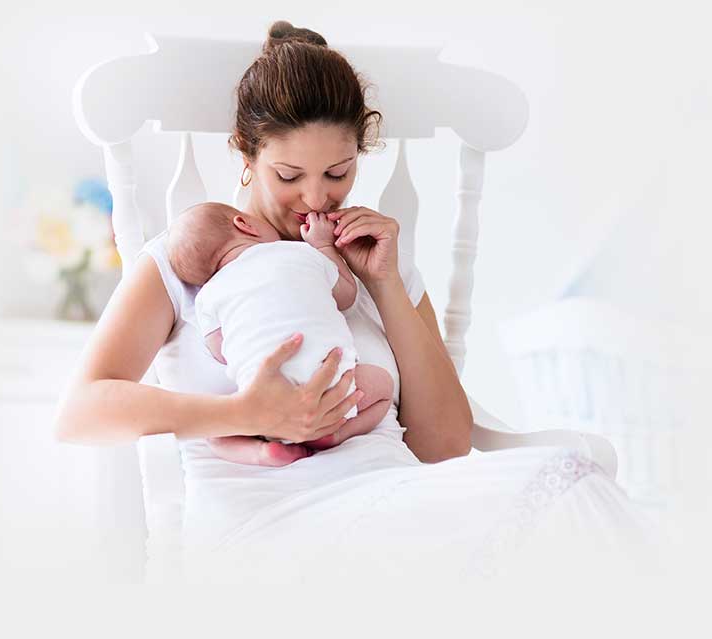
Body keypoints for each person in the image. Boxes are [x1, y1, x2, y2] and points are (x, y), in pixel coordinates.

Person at [56, 20, 660, 585]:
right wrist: (250, 413)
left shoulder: (374, 259)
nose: (314, 198)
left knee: (571, 484)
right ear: (246, 154)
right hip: (266, 527)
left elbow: (444, 446)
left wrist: (386, 283)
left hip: (392, 501)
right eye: (289, 176)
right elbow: (80, 413)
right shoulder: (193, 257)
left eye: (338, 174)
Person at [166, 200, 394, 462]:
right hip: (334, 389)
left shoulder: (206, 296)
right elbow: (345, 294)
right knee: (383, 387)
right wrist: (323, 246)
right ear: (244, 223)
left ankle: (263, 452)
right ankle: (336, 435)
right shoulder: (299, 253)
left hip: (262, 402)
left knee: (215, 435)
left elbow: (219, 351)